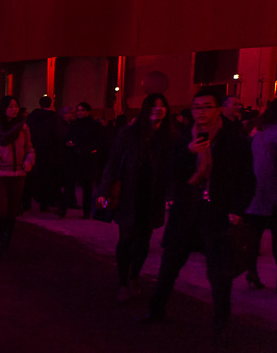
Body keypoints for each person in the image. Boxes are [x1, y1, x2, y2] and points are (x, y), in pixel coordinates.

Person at [142, 88, 256, 343]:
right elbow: (169, 172)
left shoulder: (233, 140)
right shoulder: (184, 138)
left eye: (207, 107)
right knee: (169, 266)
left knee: (219, 273)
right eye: (196, 108)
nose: (201, 113)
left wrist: (237, 210)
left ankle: (221, 325)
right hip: (186, 212)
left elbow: (247, 179)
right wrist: (188, 153)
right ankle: (156, 309)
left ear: (218, 110)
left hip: (217, 214)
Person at [96, 94, 176, 301]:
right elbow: (113, 161)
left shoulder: (169, 136)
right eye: (154, 105)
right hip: (129, 193)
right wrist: (104, 190)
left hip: (153, 196)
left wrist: (170, 194)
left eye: (162, 105)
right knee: (126, 238)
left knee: (144, 239)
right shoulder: (129, 133)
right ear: (145, 109)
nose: (158, 108)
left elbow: (173, 169)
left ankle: (134, 276)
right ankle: (123, 281)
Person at [0, 96, 34, 259]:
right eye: (11, 106)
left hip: (18, 174)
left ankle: (5, 245)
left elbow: (29, 149)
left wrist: (29, 161)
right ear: (3, 109)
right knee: (0, 211)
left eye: (16, 106)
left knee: (12, 212)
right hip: (0, 174)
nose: (14, 109)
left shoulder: (23, 128)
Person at [244, 99, 277, 290]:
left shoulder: (259, 132)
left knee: (254, 239)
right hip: (273, 195)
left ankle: (252, 273)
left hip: (255, 194)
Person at [59, 102, 101, 219]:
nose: (80, 112)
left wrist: (77, 144)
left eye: (82, 110)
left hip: (87, 159)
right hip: (75, 158)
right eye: (78, 110)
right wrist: (68, 143)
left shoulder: (93, 125)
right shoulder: (74, 124)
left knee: (87, 186)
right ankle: (63, 209)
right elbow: (68, 137)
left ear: (88, 112)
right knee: (70, 185)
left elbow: (96, 142)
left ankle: (86, 211)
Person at [24, 95, 60, 212]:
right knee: (46, 178)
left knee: (30, 177)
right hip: (49, 152)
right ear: (51, 104)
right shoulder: (54, 118)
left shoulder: (32, 116)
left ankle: (27, 203)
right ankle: (44, 204)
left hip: (33, 149)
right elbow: (58, 135)